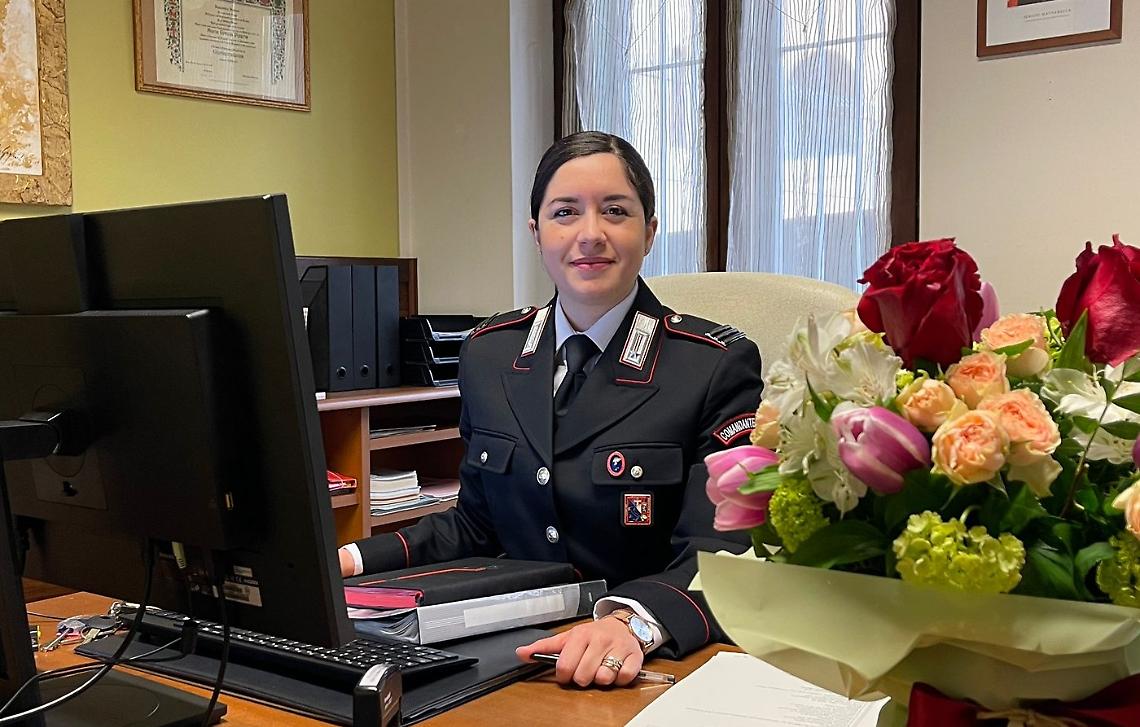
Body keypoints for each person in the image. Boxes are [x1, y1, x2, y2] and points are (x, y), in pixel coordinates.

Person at [339, 131, 762, 687]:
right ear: (537, 233)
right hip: (504, 646)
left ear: (649, 231)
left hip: (637, 660)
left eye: (616, 210)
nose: (591, 234)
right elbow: (475, 524)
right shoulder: (490, 352)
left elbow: (720, 553)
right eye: (565, 213)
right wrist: (353, 560)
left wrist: (632, 621)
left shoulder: (713, 365)